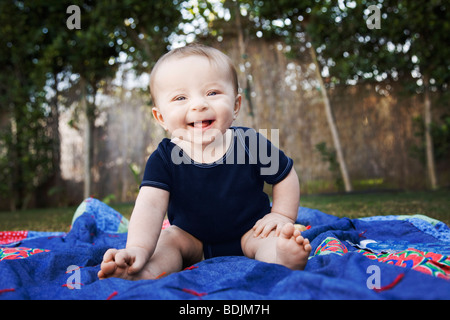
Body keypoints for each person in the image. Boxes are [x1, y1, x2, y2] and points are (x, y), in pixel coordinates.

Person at [98, 44, 311, 280]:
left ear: (236, 104)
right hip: (190, 240)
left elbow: (285, 175)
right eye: (180, 97)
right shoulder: (164, 158)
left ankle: (284, 258)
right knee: (167, 241)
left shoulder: (250, 143)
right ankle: (140, 270)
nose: (198, 104)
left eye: (212, 93)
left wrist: (281, 215)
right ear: (161, 117)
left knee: (271, 241)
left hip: (250, 233)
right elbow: (150, 206)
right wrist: (137, 247)